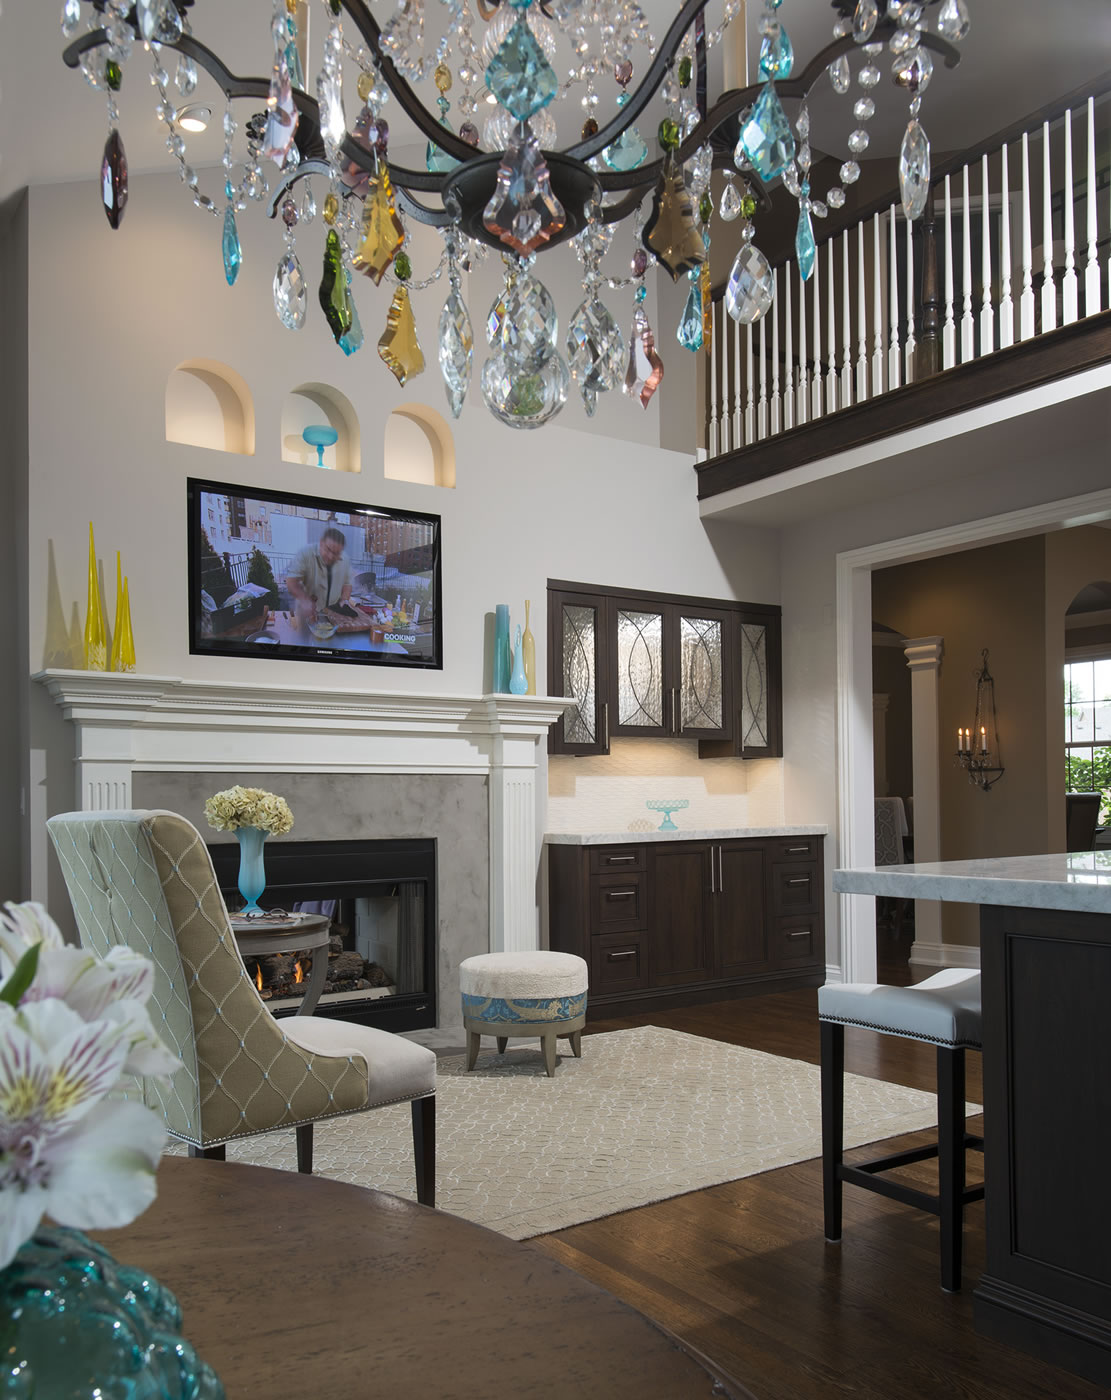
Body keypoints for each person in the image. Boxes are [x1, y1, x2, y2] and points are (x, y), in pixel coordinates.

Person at [285, 527, 353, 621]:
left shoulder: (346, 560)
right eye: (328, 549)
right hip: (307, 614)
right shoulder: (305, 553)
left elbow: (347, 584)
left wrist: (344, 600)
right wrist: (304, 600)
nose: (331, 556)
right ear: (321, 543)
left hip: (333, 615)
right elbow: (291, 582)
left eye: (336, 553)